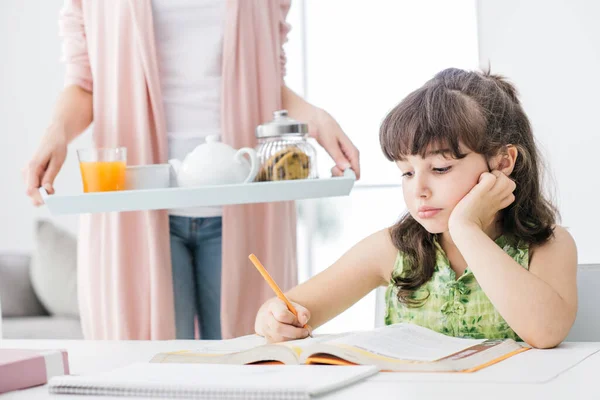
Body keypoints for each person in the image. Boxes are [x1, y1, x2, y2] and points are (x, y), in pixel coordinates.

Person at [24, 0, 360, 340]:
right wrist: (56, 132)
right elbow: (84, 84)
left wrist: (316, 120)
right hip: (136, 210)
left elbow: (268, 82)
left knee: (253, 365)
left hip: (247, 205)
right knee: (153, 376)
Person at [255, 68, 578, 349]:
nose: (418, 190)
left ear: (503, 161)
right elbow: (290, 307)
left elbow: (545, 332)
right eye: (407, 172)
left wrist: (466, 228)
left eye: (440, 169)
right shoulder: (392, 249)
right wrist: (272, 318)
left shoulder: (547, 246)